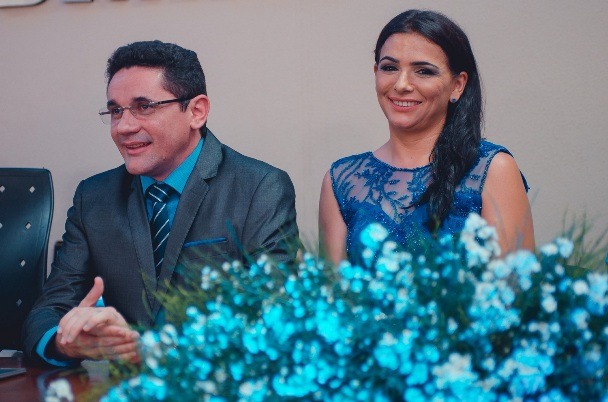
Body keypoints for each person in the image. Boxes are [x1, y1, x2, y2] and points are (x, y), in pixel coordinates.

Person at [23, 40, 299, 366]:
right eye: (115, 111)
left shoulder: (260, 188)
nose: (124, 127)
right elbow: (48, 311)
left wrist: (151, 349)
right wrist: (66, 342)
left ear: (196, 111)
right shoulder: (94, 197)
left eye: (144, 107)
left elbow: (274, 316)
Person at [319, 10, 534, 265]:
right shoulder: (341, 180)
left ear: (458, 85)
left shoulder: (493, 169)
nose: (402, 84)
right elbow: (330, 288)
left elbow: (517, 285)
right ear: (376, 72)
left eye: (423, 71)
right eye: (390, 68)